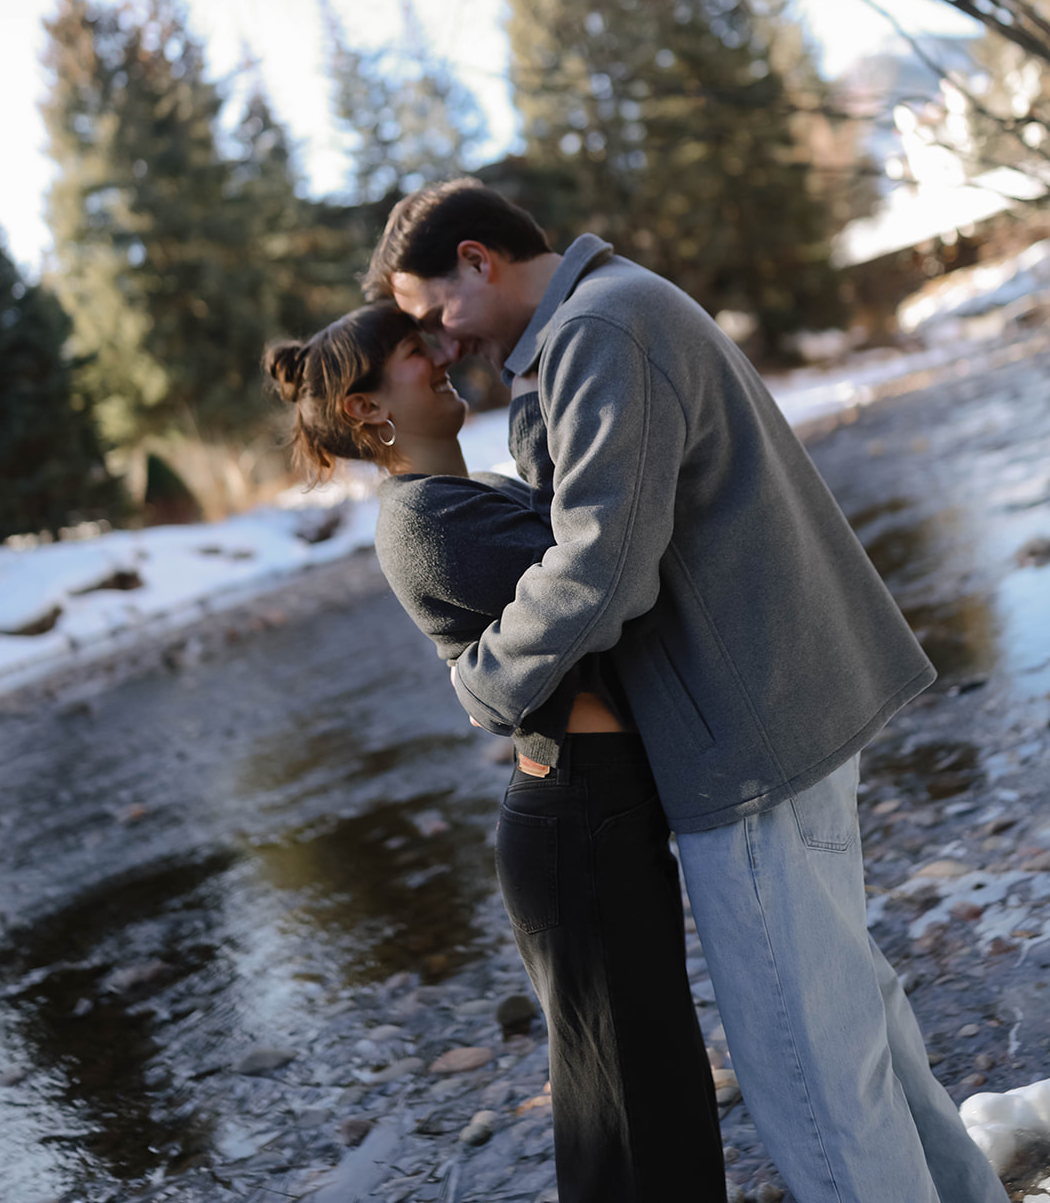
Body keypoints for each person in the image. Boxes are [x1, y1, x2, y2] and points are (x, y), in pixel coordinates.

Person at [364, 178, 1006, 1203]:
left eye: (432, 309)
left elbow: (600, 569)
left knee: (807, 1072)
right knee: (856, 1025)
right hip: (780, 708)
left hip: (742, 741)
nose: (438, 341)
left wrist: (484, 681)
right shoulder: (606, 312)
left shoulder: (597, 331)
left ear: (477, 261)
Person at [264, 303, 726, 1203]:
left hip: (601, 810)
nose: (438, 357)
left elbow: (585, 532)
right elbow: (607, 564)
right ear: (366, 409)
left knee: (647, 1072)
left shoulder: (466, 495)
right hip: (577, 820)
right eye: (412, 354)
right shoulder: (423, 521)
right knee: (628, 1092)